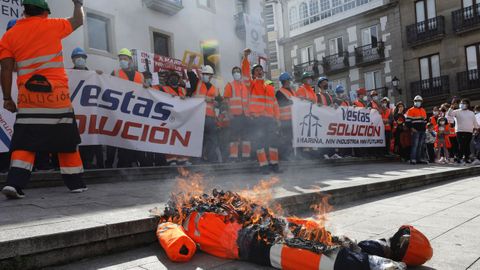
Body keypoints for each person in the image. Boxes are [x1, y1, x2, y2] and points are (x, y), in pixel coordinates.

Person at [1, 0, 86, 199]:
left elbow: (5, 69)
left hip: (29, 98)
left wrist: (7, 98)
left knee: (25, 142)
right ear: (45, 12)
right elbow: (78, 20)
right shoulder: (53, 25)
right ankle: (76, 185)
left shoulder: (9, 35)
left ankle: (14, 183)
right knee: (67, 139)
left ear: (25, 10)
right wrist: (78, 3)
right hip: (58, 97)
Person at [106, 48, 146, 168]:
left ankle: (134, 162)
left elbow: (146, 93)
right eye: (120, 59)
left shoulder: (140, 76)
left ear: (130, 60)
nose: (122, 61)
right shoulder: (115, 73)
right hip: (120, 112)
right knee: (121, 139)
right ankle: (122, 163)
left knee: (134, 138)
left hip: (136, 113)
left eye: (125, 58)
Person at [242, 48, 280, 174]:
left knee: (273, 142)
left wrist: (277, 119)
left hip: (269, 119)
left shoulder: (269, 87)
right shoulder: (251, 84)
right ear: (253, 74)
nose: (259, 72)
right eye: (256, 70)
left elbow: (275, 104)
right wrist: (246, 58)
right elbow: (245, 74)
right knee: (260, 143)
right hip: (257, 119)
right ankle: (264, 166)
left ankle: (274, 165)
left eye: (260, 70)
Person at [70, 47, 105, 169]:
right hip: (74, 112)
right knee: (75, 138)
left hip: (89, 112)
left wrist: (100, 76)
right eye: (77, 58)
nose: (80, 60)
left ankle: (88, 161)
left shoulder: (93, 75)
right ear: (73, 60)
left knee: (88, 137)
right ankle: (76, 162)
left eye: (82, 58)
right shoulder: (68, 74)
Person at [188, 61, 220, 163]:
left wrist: (216, 103)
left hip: (210, 118)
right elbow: (189, 71)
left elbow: (219, 102)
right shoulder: (197, 83)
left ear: (211, 76)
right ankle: (197, 160)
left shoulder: (215, 89)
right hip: (198, 117)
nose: (206, 76)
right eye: (204, 74)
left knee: (212, 140)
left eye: (208, 75)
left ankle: (211, 159)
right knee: (198, 140)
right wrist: (191, 61)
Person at [161, 71, 191, 166]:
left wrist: (186, 99)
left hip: (182, 118)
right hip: (170, 117)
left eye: (175, 77)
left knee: (182, 138)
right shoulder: (163, 89)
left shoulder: (183, 90)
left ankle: (184, 159)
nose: (173, 79)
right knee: (170, 138)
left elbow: (189, 100)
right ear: (168, 80)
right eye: (171, 78)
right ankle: (171, 159)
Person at [224, 66, 250, 162]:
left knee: (245, 136)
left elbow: (248, 101)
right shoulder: (229, 85)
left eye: (238, 71)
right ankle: (234, 157)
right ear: (232, 74)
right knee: (234, 136)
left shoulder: (244, 86)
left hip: (245, 115)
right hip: (235, 115)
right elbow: (226, 101)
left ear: (241, 73)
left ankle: (246, 157)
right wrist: (229, 113)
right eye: (234, 72)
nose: (236, 73)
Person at [447, 98, 479, 164]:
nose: (462, 104)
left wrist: (477, 128)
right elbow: (449, 114)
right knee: (461, 145)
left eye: (464, 103)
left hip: (469, 131)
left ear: (467, 104)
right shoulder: (457, 111)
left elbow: (474, 122)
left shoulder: (471, 113)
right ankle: (460, 158)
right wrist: (452, 106)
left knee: (467, 145)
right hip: (459, 131)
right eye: (461, 103)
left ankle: (467, 158)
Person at [276, 72, 296, 160]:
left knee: (292, 138)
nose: (290, 82)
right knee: (286, 139)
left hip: (293, 119)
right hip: (285, 120)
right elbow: (279, 105)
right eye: (289, 80)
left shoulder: (292, 91)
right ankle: (286, 156)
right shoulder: (279, 92)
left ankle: (291, 155)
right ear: (285, 81)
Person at [405, 95, 428, 165]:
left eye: (419, 101)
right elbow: (407, 121)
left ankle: (419, 159)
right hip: (415, 130)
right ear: (414, 102)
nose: (418, 102)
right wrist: (412, 129)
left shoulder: (423, 110)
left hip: (422, 131)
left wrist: (425, 129)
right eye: (416, 101)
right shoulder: (410, 110)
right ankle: (413, 159)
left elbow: (425, 120)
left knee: (421, 145)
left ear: (421, 102)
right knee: (415, 145)